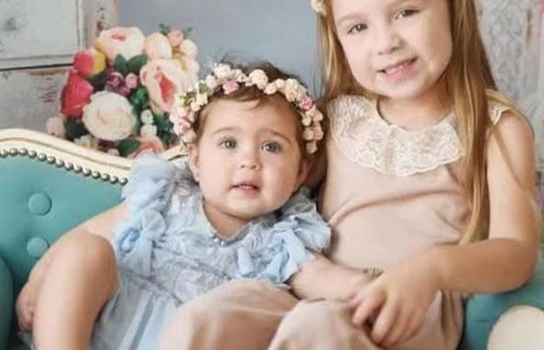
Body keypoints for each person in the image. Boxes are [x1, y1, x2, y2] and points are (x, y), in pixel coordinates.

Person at [157, 0, 540, 350]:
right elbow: (266, 185)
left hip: (407, 310)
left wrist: (431, 270)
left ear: (453, 7)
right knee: (210, 316)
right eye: (358, 27)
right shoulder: (338, 119)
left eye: (406, 12)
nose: (386, 42)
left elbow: (516, 251)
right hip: (320, 290)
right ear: (338, 39)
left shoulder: (493, 128)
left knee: (317, 328)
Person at [15, 61, 331, 350]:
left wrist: (360, 286)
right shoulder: (166, 197)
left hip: (194, 339)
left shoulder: (285, 238)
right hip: (108, 326)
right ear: (195, 160)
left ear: (300, 173)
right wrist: (39, 278)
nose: (249, 161)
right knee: (88, 250)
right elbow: (85, 235)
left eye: (271, 147)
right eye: (228, 143)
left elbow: (325, 280)